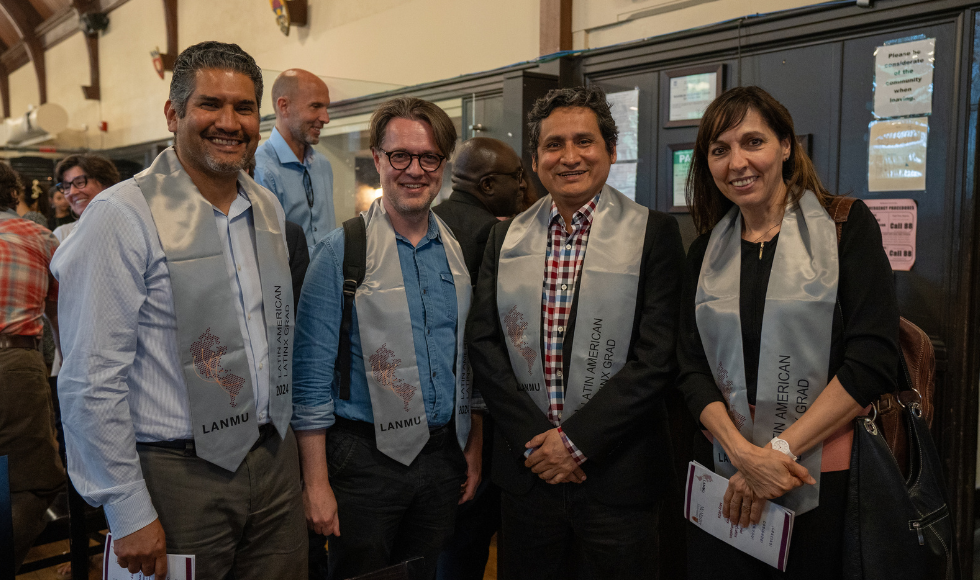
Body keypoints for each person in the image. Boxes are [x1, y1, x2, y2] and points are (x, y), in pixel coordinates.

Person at [52, 41, 306, 579]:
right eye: (210, 105)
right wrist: (126, 508)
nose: (229, 122)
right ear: (173, 113)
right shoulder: (120, 216)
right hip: (176, 472)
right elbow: (90, 378)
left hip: (272, 459)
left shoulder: (265, 206)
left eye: (243, 108)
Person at [676, 85, 899, 579]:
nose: (737, 162)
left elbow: (872, 359)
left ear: (786, 147)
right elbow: (689, 368)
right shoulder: (705, 251)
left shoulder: (847, 227)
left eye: (752, 142)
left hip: (820, 470)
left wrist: (776, 453)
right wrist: (743, 457)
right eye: (720, 149)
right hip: (724, 467)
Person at [466, 85, 686, 580]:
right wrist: (536, 442)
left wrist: (576, 442)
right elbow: (484, 344)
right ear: (535, 157)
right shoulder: (503, 237)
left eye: (584, 142)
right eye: (553, 145)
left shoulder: (655, 233)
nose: (569, 157)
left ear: (610, 151)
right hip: (530, 475)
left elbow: (656, 358)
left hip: (618, 475)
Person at [293, 96, 481, 580]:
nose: (414, 170)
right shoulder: (341, 252)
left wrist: (471, 453)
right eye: (400, 156)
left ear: (442, 165)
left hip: (440, 460)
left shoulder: (456, 252)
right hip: (364, 463)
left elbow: (468, 360)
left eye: (428, 158)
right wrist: (316, 484)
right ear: (378, 159)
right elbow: (310, 380)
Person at [431, 136, 528, 580]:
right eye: (518, 179)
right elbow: (489, 335)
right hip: (476, 418)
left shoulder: (428, 220)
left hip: (425, 416)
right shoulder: (495, 235)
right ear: (488, 184)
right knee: (467, 542)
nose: (525, 188)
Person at [0, 162, 65, 573]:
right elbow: (67, 321)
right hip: (13, 363)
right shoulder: (39, 237)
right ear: (14, 192)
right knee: (35, 481)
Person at [255, 68, 335, 255]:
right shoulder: (260, 169)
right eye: (315, 106)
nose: (326, 118)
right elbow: (268, 251)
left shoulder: (323, 165)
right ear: (284, 106)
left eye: (326, 108)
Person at [51, 154, 120, 242]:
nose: (72, 192)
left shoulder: (128, 229)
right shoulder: (63, 235)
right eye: (66, 187)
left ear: (106, 184)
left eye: (80, 182)